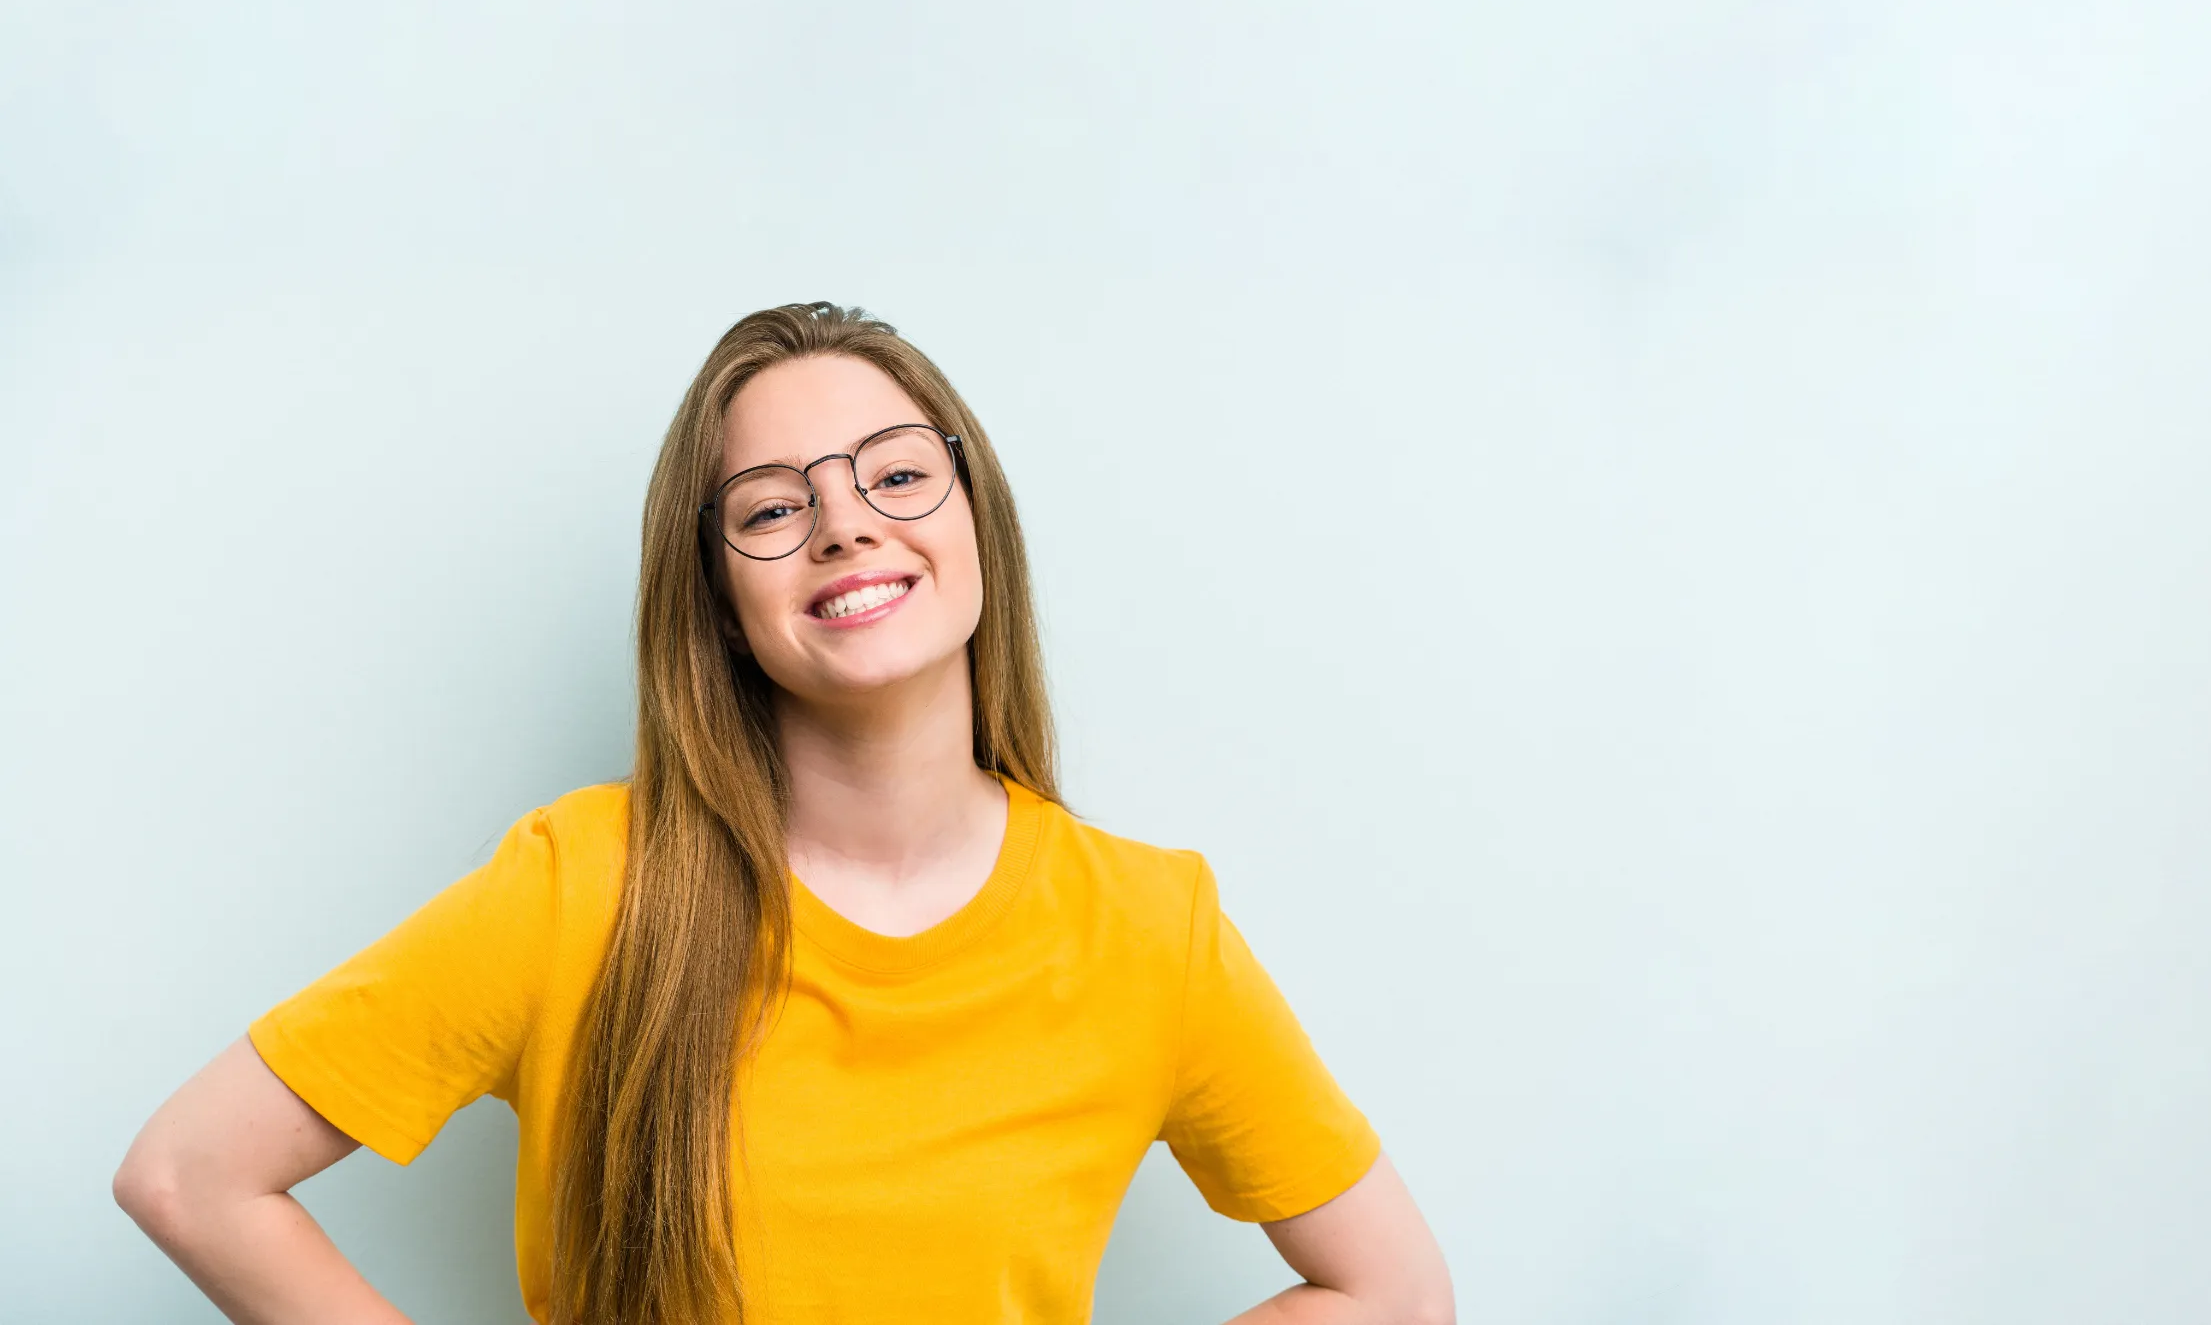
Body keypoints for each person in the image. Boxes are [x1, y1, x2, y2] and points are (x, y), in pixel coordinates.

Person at [112, 302, 1453, 1325]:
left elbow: (1395, 1291)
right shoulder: (580, 884)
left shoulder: (1149, 926)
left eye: (896, 474)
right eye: (771, 506)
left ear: (974, 515)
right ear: (717, 599)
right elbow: (188, 1172)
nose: (844, 524)